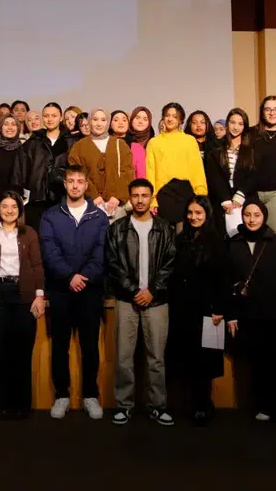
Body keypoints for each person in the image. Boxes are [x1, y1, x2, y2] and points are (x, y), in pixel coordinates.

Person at [105, 178, 176, 426]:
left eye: (144, 195)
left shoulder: (165, 228)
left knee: (156, 358)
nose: (140, 200)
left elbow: (170, 263)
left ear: (151, 198)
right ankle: (124, 406)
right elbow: (113, 264)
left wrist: (152, 291)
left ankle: (158, 406)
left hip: (157, 302)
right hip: (127, 300)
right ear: (129, 198)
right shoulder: (117, 229)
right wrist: (134, 290)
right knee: (124, 357)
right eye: (135, 195)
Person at [40, 165, 108, 420]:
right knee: (60, 346)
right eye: (71, 181)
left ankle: (91, 395)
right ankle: (62, 396)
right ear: (65, 184)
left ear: (87, 184)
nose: (76, 185)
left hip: (90, 291)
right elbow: (49, 251)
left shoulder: (99, 216)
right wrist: (69, 276)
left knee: (90, 347)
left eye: (80, 181)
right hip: (60, 290)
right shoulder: (50, 216)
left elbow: (102, 252)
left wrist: (84, 277)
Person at [230, 199, 276, 426]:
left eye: (256, 215)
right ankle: (263, 406)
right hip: (249, 314)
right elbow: (226, 280)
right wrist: (231, 314)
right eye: (247, 214)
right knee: (257, 363)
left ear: (264, 217)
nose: (251, 220)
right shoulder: (233, 243)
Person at [168, 196, 234, 425]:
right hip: (184, 309)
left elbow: (224, 278)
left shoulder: (217, 241)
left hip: (209, 310)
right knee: (185, 357)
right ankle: (189, 404)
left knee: (205, 361)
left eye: (198, 213)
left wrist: (220, 308)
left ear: (207, 214)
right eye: (190, 213)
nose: (193, 217)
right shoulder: (180, 239)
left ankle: (203, 404)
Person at [0, 190, 45, 420]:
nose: (9, 211)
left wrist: (39, 295)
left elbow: (37, 265)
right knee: (1, 352)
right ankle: (3, 404)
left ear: (20, 210)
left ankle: (22, 404)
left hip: (24, 295)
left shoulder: (29, 233)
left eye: (14, 207)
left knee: (23, 351)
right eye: (5, 206)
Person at [67, 109, 135, 220]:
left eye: (103, 120)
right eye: (95, 119)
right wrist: (93, 196)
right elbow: (77, 174)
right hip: (88, 205)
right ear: (89, 121)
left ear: (108, 122)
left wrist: (117, 197)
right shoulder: (78, 147)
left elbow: (128, 173)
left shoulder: (120, 145)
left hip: (116, 207)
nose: (99, 124)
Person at [144, 103, 207, 223]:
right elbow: (150, 172)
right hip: (162, 196)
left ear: (180, 120)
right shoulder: (154, 143)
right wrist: (152, 200)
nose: (170, 119)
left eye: (174, 116)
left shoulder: (189, 141)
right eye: (167, 115)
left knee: (184, 232)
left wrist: (200, 194)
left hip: (186, 194)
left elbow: (197, 169)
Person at [15, 102, 71, 229]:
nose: (50, 119)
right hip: (37, 198)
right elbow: (20, 171)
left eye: (54, 115)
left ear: (61, 117)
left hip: (64, 198)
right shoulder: (33, 142)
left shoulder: (70, 141)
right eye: (46, 116)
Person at [205, 108, 254, 229]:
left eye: (240, 124)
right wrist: (225, 199)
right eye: (232, 122)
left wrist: (240, 196)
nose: (236, 127)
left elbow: (253, 175)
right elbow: (214, 176)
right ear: (227, 124)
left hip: (245, 199)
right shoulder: (215, 147)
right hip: (221, 201)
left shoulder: (251, 148)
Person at [250, 96, 276, 236]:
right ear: (262, 112)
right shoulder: (251, 134)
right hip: (253, 193)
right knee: (253, 237)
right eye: (268, 109)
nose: (272, 113)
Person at [126, 107, 155, 179]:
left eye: (145, 119)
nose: (140, 122)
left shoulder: (153, 142)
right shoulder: (124, 140)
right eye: (137, 118)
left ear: (149, 123)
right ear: (131, 120)